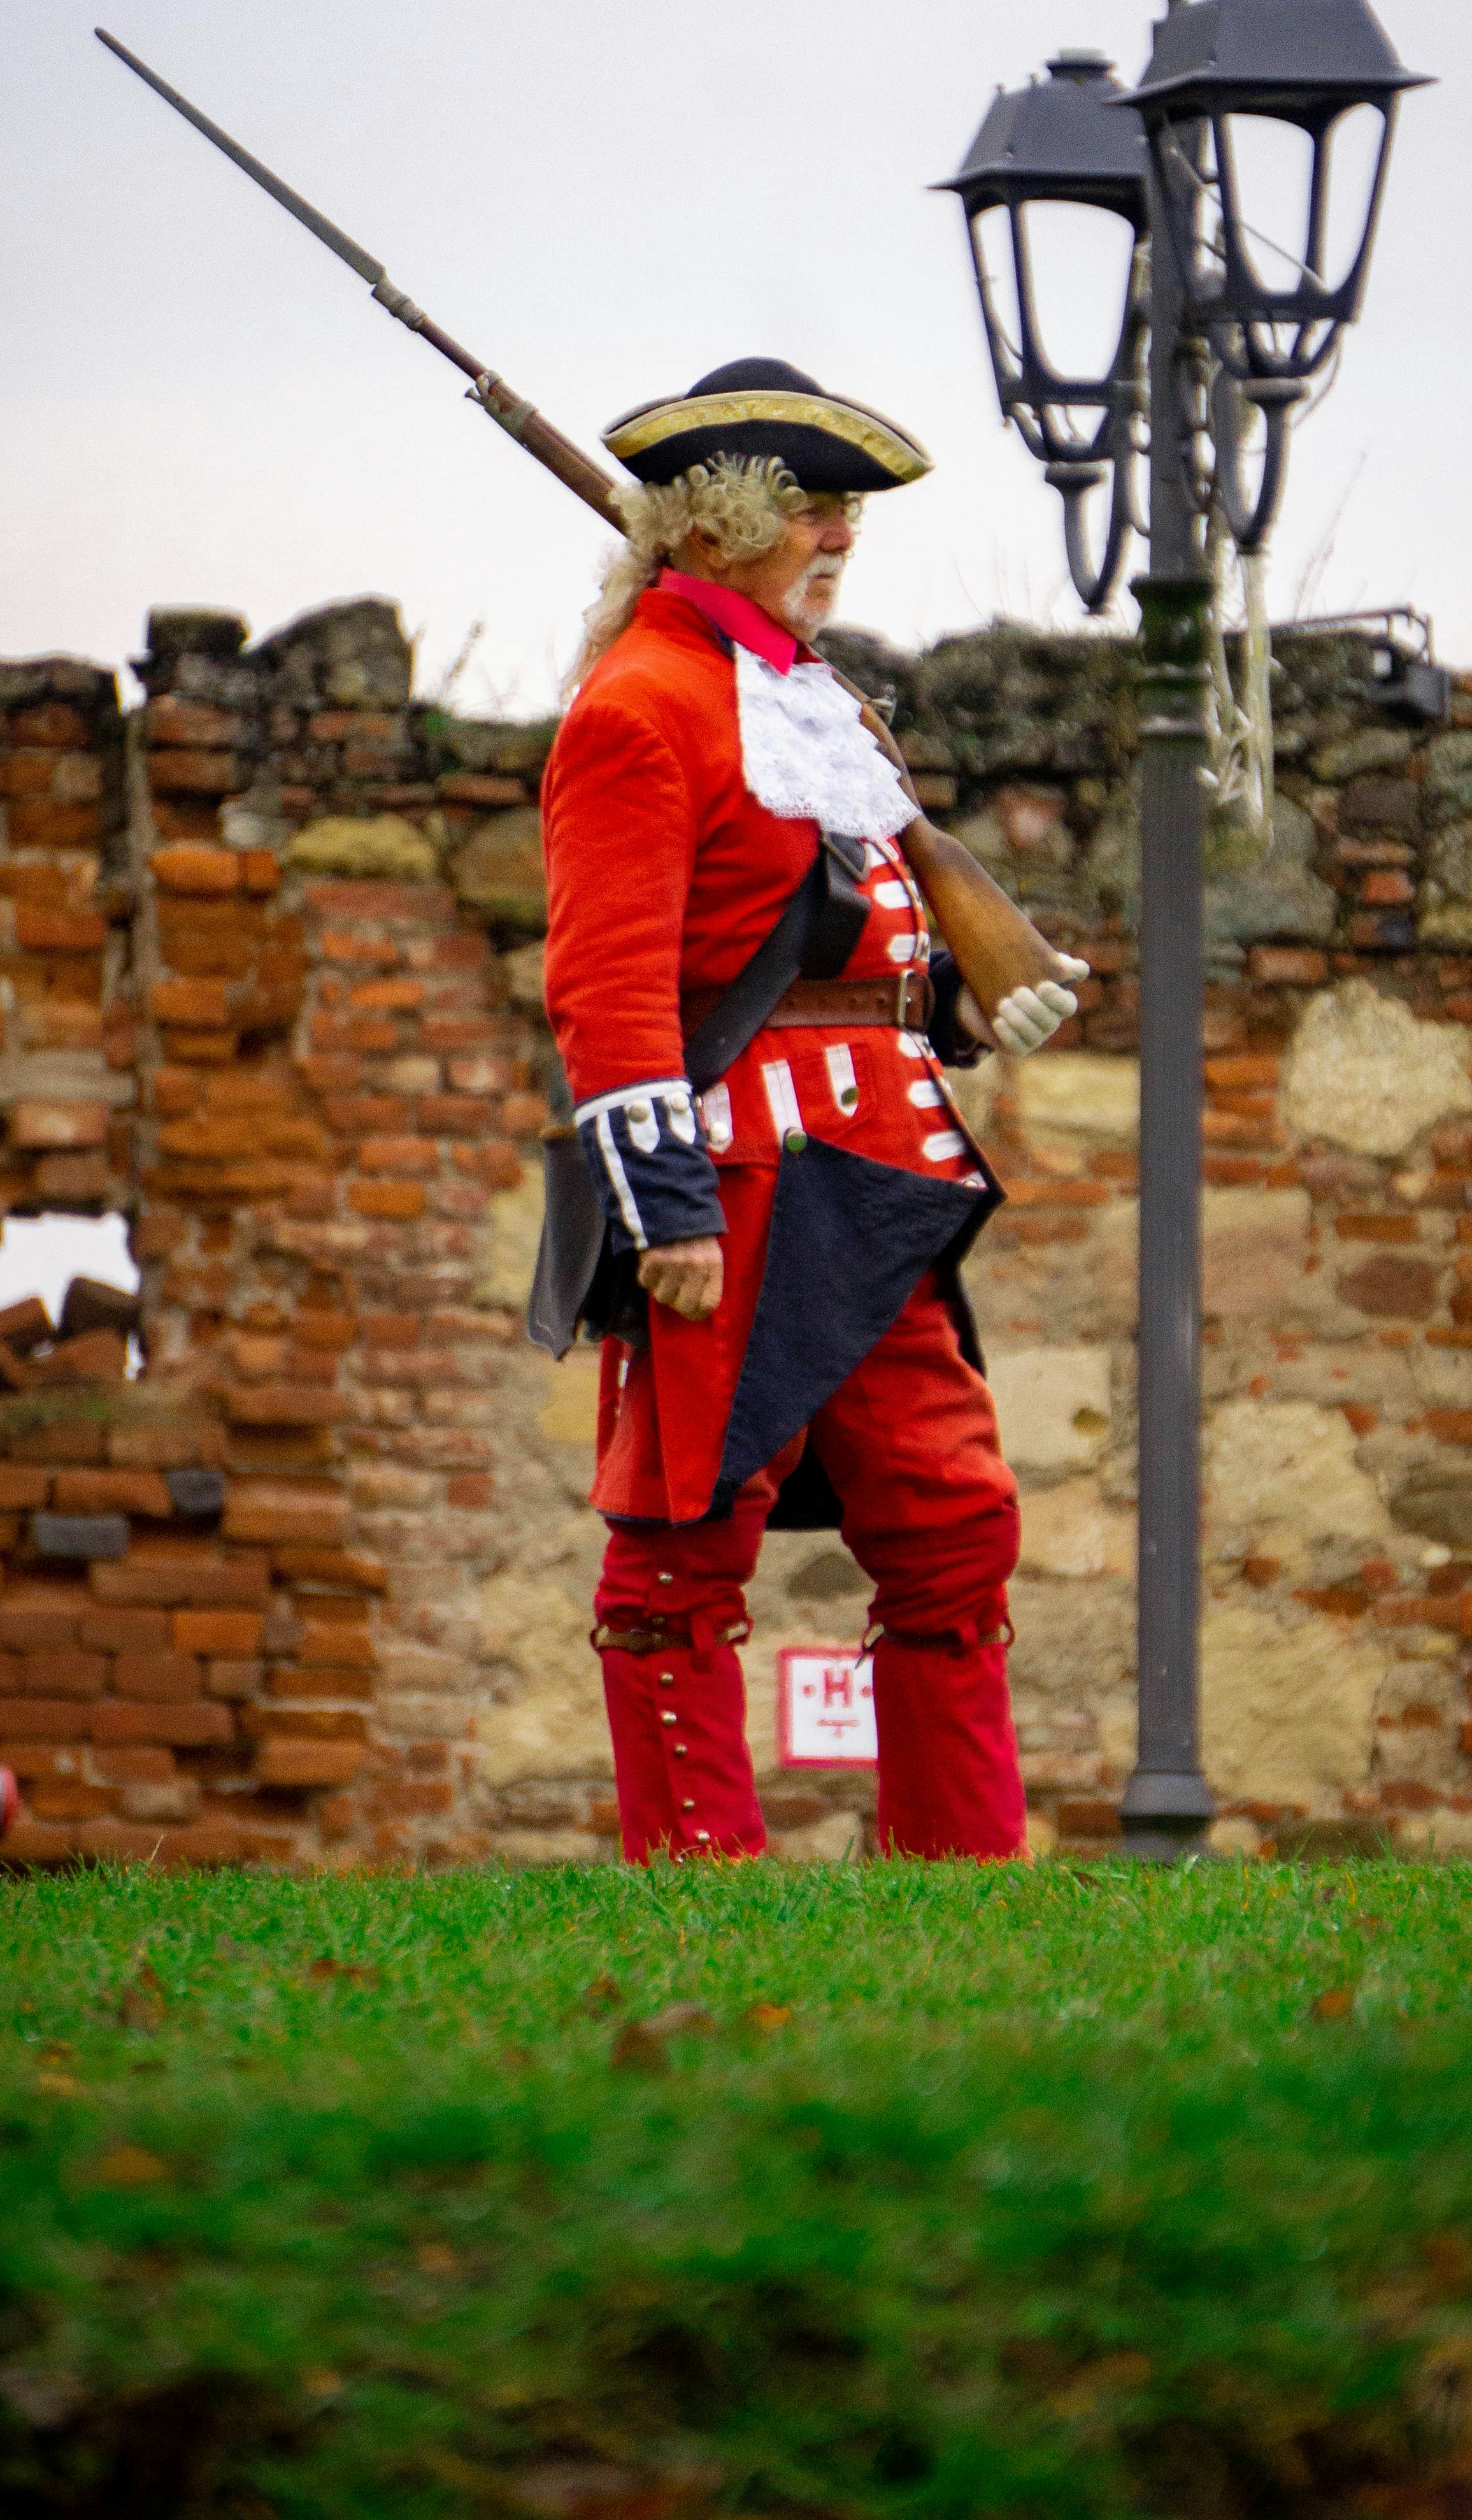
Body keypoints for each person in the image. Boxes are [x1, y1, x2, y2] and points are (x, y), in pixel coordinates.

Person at [538, 357, 1088, 1862]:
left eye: (842, 511)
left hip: (878, 1171)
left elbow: (846, 933)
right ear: (709, 526)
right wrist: (670, 1215)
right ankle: (701, 1880)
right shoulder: (640, 707)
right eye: (807, 510)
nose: (839, 536)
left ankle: (956, 1879)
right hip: (737, 1181)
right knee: (676, 1554)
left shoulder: (809, 704)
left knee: (955, 1528)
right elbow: (608, 985)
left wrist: (969, 1000)